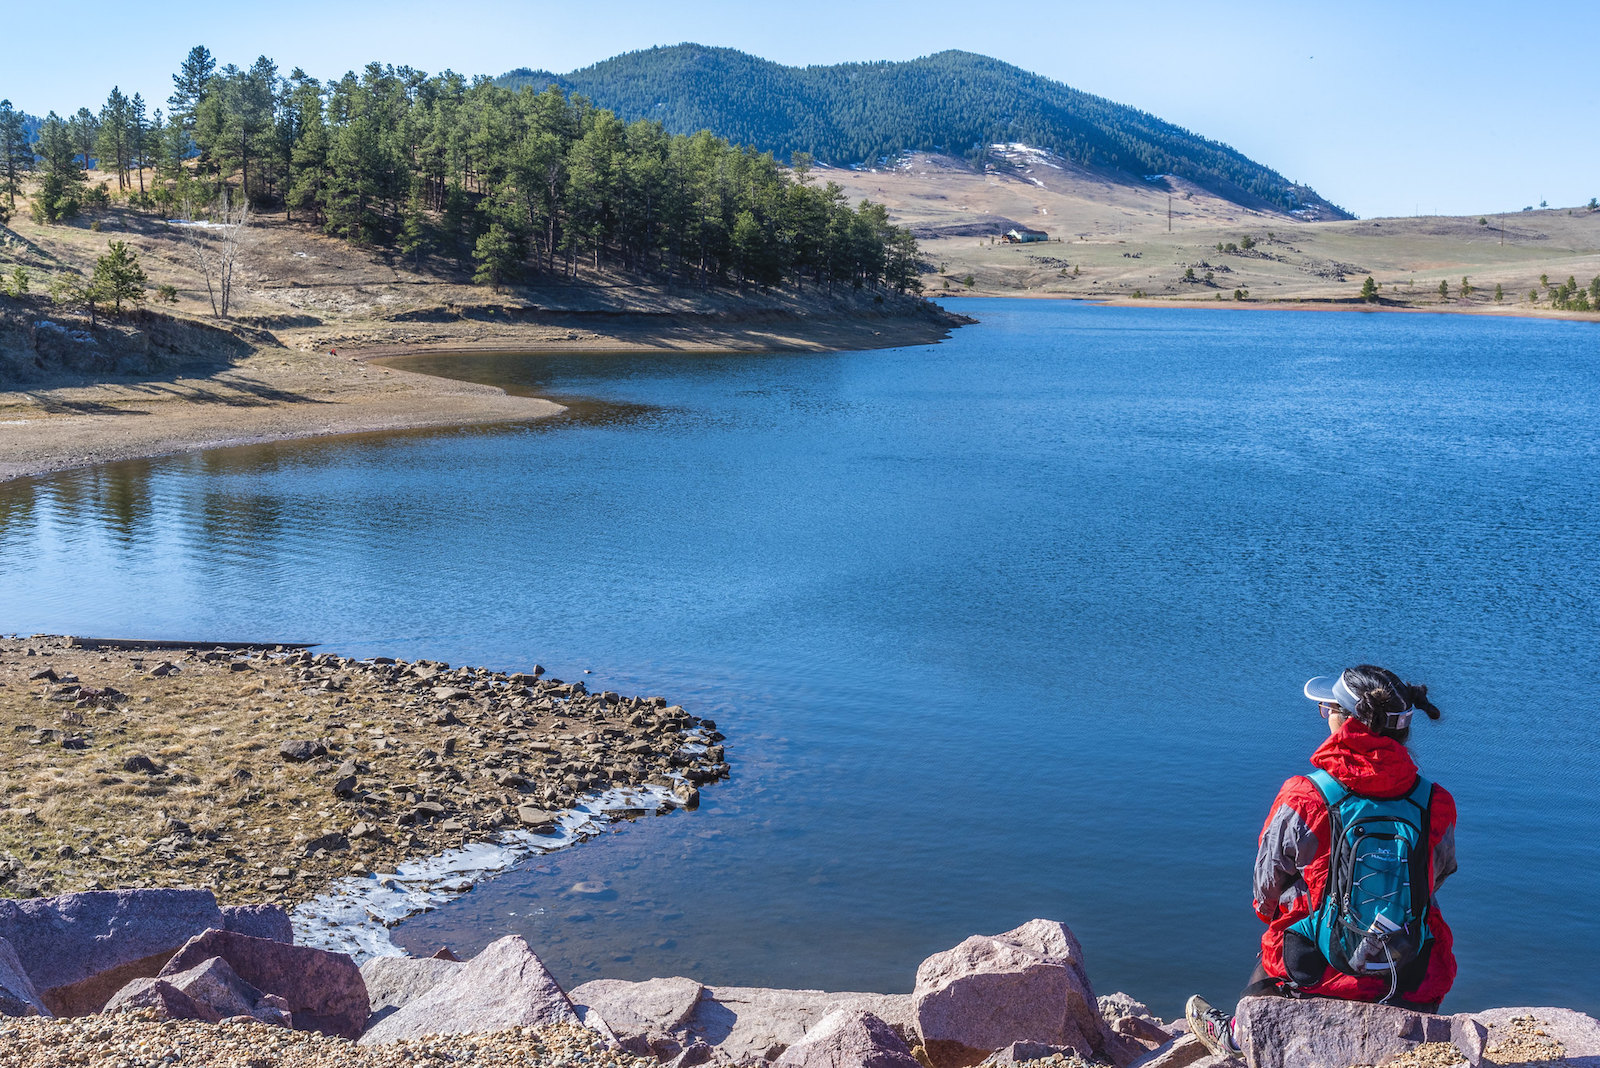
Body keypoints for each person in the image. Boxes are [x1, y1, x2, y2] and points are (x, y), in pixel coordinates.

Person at [1185, 665, 1457, 1057]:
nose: (1324, 715)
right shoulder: (1435, 802)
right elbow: (1437, 877)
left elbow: (1266, 894)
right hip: (1406, 974)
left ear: (1347, 723)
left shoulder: (1305, 796)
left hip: (1315, 972)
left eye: (1327, 707)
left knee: (1280, 937)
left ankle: (1239, 1038)